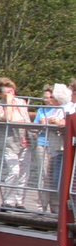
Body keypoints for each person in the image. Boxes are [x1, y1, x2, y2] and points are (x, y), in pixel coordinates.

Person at [0, 77, 31, 210]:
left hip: (24, 141)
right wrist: (8, 102)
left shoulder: (21, 102)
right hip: (9, 143)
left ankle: (19, 202)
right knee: (14, 171)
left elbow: (25, 119)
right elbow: (8, 119)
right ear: (1, 94)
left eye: (12, 91)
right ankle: (7, 201)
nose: (11, 94)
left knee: (24, 173)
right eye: (7, 92)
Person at [35, 85, 70, 213]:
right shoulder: (42, 110)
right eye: (47, 97)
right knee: (45, 176)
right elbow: (41, 123)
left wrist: (53, 122)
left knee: (56, 178)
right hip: (44, 144)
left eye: (51, 97)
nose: (48, 99)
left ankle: (56, 208)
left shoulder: (63, 108)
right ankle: (42, 207)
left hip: (56, 146)